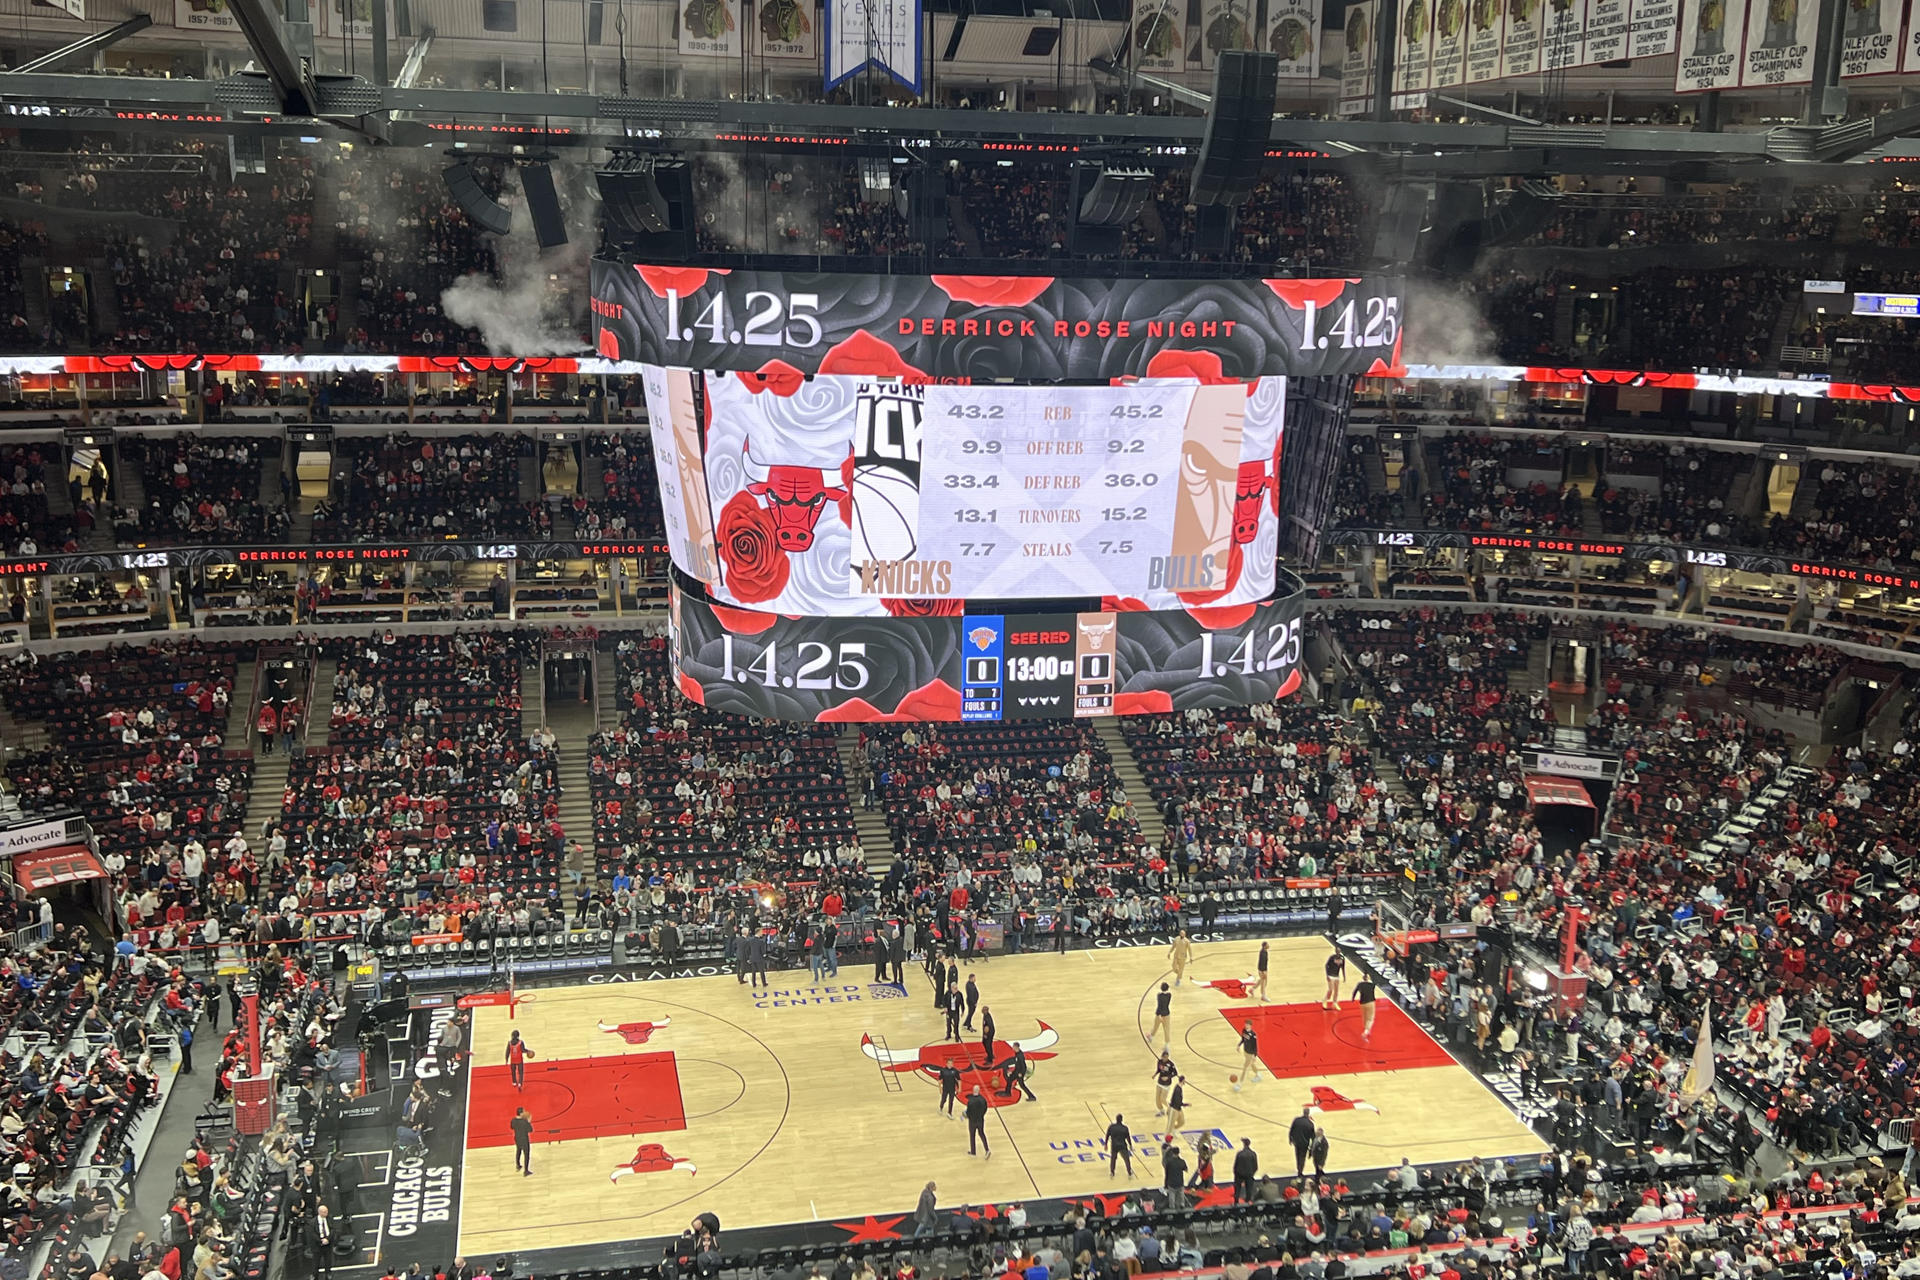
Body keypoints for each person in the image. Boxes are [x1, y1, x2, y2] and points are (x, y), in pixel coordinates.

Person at [1289, 1106, 1317, 1176]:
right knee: (1302, 1158)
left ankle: (1298, 1168)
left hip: (1296, 1142)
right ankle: (1300, 1171)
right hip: (1304, 1144)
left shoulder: (1297, 1120)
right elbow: (1313, 1138)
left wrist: (1290, 1138)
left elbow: (1291, 1130)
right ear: (1308, 1113)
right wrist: (1311, 1149)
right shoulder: (1310, 1124)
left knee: (1297, 1155)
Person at [965, 1086, 991, 1157]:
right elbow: (985, 1108)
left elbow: (968, 1112)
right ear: (979, 1091)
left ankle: (973, 1152)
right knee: (982, 1133)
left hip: (972, 1121)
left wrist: (968, 1116)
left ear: (973, 1091)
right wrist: (982, 1115)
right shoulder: (983, 1099)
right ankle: (987, 1149)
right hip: (980, 1120)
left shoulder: (970, 1101)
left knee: (972, 1135)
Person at [1161, 1142, 1189, 1208]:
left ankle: (1172, 1211)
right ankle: (1182, 1208)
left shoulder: (1169, 1162)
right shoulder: (1182, 1161)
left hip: (1171, 1183)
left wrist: (1165, 1184)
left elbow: (1166, 1173)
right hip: (1180, 1182)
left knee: (1172, 1198)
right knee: (1181, 1196)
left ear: (1172, 1153)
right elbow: (1186, 1170)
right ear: (1178, 1153)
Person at [1235, 1021, 1262, 1089]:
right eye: (1245, 1024)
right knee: (1252, 1064)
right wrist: (1239, 1045)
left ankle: (1239, 1084)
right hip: (1245, 1051)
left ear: (1250, 1025)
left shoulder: (1253, 1034)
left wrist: (1254, 1055)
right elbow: (1243, 1039)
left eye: (1247, 1025)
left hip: (1250, 1053)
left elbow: (1255, 1046)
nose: (1246, 1025)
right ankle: (1258, 1075)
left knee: (1245, 1068)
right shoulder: (1244, 1030)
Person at [311, 1205, 335, 1277]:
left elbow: (332, 1229)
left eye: (327, 1211)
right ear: (319, 1212)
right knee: (316, 1261)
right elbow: (313, 1234)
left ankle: (328, 1273)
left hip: (328, 1243)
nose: (326, 1213)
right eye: (324, 1212)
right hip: (318, 1245)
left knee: (328, 1260)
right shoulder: (313, 1222)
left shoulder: (329, 1219)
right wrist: (321, 1241)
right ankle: (315, 1274)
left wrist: (328, 1239)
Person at [1232, 1138, 1259, 1203]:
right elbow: (1255, 1166)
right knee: (1249, 1191)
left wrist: (1236, 1174)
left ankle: (1236, 1203)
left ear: (1244, 1144)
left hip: (1239, 1175)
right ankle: (1247, 1203)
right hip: (1249, 1175)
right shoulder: (1253, 1154)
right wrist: (1251, 1174)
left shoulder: (1240, 1154)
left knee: (1237, 1191)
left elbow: (1235, 1166)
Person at [1354, 975, 1378, 1041]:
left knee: (1364, 1017)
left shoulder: (1360, 984)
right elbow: (1377, 979)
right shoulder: (1372, 985)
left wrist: (1353, 999)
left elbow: (1355, 991)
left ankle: (1367, 1029)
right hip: (1370, 1002)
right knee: (1370, 1019)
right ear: (1368, 978)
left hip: (1362, 1003)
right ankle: (1366, 1032)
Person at [1153, 1051, 1178, 1115]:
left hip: (1167, 1083)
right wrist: (1155, 1074)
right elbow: (1158, 1070)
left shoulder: (1171, 1064)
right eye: (1164, 1057)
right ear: (1162, 1057)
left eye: (1167, 1057)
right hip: (1160, 1082)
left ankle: (1171, 1109)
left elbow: (1175, 1073)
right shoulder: (1160, 1062)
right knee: (1157, 1099)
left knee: (1163, 1099)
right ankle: (1161, 1111)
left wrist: (1168, 1077)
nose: (1166, 1058)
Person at [1149, 982, 1173, 1046]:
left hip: (1159, 1014)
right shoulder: (1169, 995)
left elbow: (1160, 1006)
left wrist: (1160, 1015)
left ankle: (1151, 1037)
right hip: (1167, 1014)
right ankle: (1166, 1045)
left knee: (1155, 1027)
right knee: (1166, 1029)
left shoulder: (1159, 995)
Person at [511, 1106, 533, 1175]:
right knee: (526, 1154)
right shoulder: (524, 1122)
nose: (525, 1113)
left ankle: (518, 1165)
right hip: (524, 1139)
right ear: (520, 1114)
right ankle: (526, 1171)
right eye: (523, 1112)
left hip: (517, 1138)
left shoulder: (513, 1120)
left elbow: (512, 1127)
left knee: (518, 1151)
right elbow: (530, 1130)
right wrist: (529, 1122)